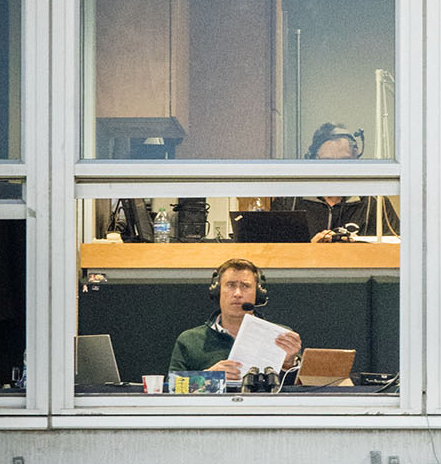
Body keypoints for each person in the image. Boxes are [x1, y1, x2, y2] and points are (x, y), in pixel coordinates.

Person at [169, 258, 301, 380]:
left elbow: (303, 390)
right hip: (214, 406)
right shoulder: (190, 340)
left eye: (245, 286)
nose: (237, 293)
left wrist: (289, 364)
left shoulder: (281, 336)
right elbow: (173, 389)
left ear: (258, 294)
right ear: (218, 291)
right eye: (231, 285)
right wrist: (210, 377)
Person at [271, 122, 400, 242]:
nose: (336, 168)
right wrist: (310, 249)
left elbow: (397, 250)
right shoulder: (289, 202)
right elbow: (271, 254)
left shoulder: (374, 203)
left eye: (344, 160)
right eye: (327, 160)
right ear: (312, 160)